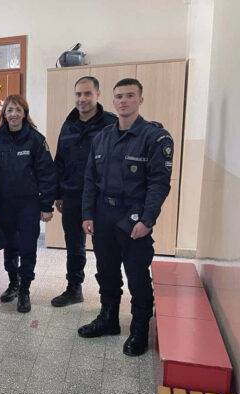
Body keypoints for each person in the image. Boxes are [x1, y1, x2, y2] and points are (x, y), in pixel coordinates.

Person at [79, 78, 173, 356]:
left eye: (130, 96)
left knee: (137, 276)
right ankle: (109, 319)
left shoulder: (155, 138)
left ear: (140, 99)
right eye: (119, 96)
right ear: (112, 100)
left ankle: (139, 329)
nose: (123, 101)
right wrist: (87, 214)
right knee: (106, 272)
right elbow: (90, 180)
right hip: (104, 215)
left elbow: (159, 184)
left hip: (134, 218)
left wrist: (147, 220)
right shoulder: (102, 138)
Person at [51, 77, 117, 308]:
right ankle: (74, 289)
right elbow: (59, 161)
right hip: (72, 196)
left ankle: (108, 297)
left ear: (98, 94)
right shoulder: (68, 124)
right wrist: (58, 193)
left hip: (101, 199)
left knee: (104, 249)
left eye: (87, 93)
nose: (82, 99)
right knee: (74, 247)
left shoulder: (111, 124)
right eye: (78, 94)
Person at [0, 95, 56, 313]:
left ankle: (25, 289)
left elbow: (47, 173)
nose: (14, 114)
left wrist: (46, 205)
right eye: (10, 110)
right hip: (5, 205)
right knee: (9, 247)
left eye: (18, 110)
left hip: (28, 205)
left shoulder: (36, 140)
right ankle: (13, 283)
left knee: (27, 247)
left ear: (25, 113)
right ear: (4, 114)